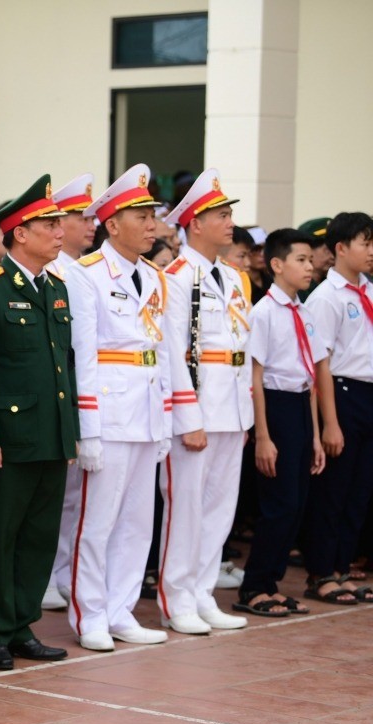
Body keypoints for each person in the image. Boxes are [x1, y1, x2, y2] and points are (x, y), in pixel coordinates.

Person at [0, 175, 78, 670]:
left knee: (37, 536)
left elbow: (63, 367)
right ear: (19, 233)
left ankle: (20, 624)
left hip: (48, 436)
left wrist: (67, 432)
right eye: (48, 225)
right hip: (8, 439)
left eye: (59, 224)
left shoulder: (55, 287)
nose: (59, 233)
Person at [64, 163, 172, 652]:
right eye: (142, 216)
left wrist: (168, 418)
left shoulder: (155, 276)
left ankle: (122, 608)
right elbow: (82, 356)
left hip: (147, 410)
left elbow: (164, 351)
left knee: (137, 521)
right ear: (112, 225)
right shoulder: (86, 275)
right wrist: (87, 429)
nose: (152, 225)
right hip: (109, 411)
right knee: (97, 522)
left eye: (153, 216)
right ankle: (90, 612)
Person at [158, 169, 252, 634]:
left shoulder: (234, 278)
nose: (230, 221)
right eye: (221, 213)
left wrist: (245, 412)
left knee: (219, 507)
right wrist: (186, 415)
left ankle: (202, 592)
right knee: (186, 506)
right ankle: (177, 597)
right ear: (194, 222)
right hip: (197, 407)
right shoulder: (175, 277)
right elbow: (174, 352)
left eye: (230, 212)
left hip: (231, 405)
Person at [235, 228, 325, 616]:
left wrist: (317, 437)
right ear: (276, 264)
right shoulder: (264, 312)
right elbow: (254, 375)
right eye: (301, 260)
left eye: (310, 260)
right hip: (274, 407)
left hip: (301, 407)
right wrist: (263, 436)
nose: (310, 267)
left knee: (298, 503)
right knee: (279, 504)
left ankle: (271, 584)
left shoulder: (303, 310)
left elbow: (312, 375)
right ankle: (253, 587)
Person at [304, 212, 373, 603]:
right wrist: (330, 422)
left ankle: (344, 567)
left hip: (367, 394)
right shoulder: (327, 298)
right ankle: (321, 572)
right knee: (333, 489)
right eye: (365, 243)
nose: (371, 251)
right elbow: (320, 363)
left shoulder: (369, 291)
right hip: (341, 394)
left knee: (359, 491)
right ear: (340, 248)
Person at [42, 174, 96, 613]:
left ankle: (62, 572)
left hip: (78, 391)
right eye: (78, 216)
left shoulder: (82, 271)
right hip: (57, 391)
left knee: (72, 496)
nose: (88, 223)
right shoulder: (56, 273)